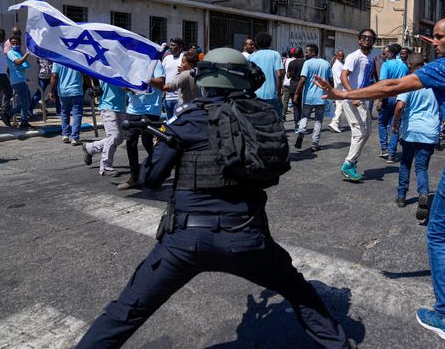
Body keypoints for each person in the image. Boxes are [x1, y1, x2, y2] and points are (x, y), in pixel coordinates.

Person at [75, 47, 356, 349]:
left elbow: (149, 179)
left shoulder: (187, 120)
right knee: (299, 291)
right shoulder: (260, 116)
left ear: (206, 79)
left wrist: (166, 142)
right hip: (247, 236)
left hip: (185, 241)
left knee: (125, 311)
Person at [314, 17, 445, 343]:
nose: (434, 43)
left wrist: (343, 94)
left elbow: (393, 87)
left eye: (440, 37)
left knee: (437, 234)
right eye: (433, 38)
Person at [391, 55, 440, 219]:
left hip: (411, 131)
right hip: (430, 132)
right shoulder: (434, 81)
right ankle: (424, 193)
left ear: (409, 64)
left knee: (405, 163)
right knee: (421, 167)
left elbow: (399, 106)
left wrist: (395, 124)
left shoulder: (409, 81)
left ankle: (402, 196)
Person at [117, 63, 166, 190]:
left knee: (147, 141)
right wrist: (130, 86)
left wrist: (146, 81)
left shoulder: (155, 63)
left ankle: (157, 175)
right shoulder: (131, 63)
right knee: (130, 142)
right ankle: (134, 178)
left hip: (151, 110)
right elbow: (123, 87)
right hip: (133, 110)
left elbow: (161, 82)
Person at [339, 29, 378, 182]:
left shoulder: (369, 58)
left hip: (362, 99)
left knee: (366, 132)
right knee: (360, 132)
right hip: (352, 99)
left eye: (370, 38)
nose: (367, 39)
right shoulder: (354, 56)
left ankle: (352, 162)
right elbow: (343, 76)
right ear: (359, 40)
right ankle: (348, 165)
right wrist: (352, 94)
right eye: (364, 37)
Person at [82, 81, 126, 177]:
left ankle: (90, 148)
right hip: (108, 107)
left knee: (119, 138)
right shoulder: (108, 68)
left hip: (121, 107)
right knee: (114, 136)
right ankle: (106, 167)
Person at [294, 44, 331, 151]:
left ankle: (301, 133)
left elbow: (302, 80)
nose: (305, 54)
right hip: (322, 96)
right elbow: (330, 81)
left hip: (308, 97)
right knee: (318, 121)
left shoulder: (307, 63)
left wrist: (296, 94)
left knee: (305, 117)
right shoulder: (326, 63)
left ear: (313, 52)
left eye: (307, 52)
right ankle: (315, 143)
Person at [377, 44, 409, 163]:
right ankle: (392, 154)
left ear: (390, 54)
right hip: (400, 98)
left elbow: (383, 84)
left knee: (382, 123)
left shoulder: (386, 65)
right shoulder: (404, 66)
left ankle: (384, 148)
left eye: (384, 53)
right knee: (395, 125)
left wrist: (379, 100)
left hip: (387, 98)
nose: (383, 55)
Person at [248, 32, 284, 118]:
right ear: (270, 43)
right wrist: (279, 91)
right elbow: (278, 75)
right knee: (277, 120)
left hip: (255, 94)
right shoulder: (275, 54)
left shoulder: (251, 56)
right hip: (271, 94)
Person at [49, 62, 85, 145]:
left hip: (63, 91)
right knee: (77, 114)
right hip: (77, 90)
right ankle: (75, 137)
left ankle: (65, 134)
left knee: (65, 113)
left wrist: (51, 91)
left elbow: (54, 76)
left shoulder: (57, 60)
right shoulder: (76, 58)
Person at [2, 37, 32, 128]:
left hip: (21, 80)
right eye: (13, 43)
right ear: (11, 44)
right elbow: (18, 62)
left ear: (20, 43)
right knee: (25, 102)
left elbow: (21, 68)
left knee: (26, 102)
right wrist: (27, 53)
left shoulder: (19, 52)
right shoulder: (11, 53)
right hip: (17, 81)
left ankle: (9, 114)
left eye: (17, 43)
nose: (15, 45)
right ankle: (22, 121)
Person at [161, 38, 184, 119]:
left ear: (180, 47)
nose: (170, 47)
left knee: (178, 123)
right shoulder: (167, 58)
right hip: (167, 98)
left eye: (173, 45)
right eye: (170, 45)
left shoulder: (184, 58)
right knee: (169, 124)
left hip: (180, 98)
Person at [287, 48, 305, 131]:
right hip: (303, 86)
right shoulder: (305, 62)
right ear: (302, 54)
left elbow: (288, 76)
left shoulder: (291, 63)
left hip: (293, 86)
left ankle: (297, 123)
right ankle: (302, 123)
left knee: (295, 106)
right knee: (303, 105)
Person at [328, 50, 346, 133]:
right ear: (337, 56)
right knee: (340, 106)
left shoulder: (340, 64)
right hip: (340, 89)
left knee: (339, 106)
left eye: (342, 56)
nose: (341, 57)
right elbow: (339, 79)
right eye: (340, 56)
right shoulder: (336, 66)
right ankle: (334, 123)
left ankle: (337, 124)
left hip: (341, 88)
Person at [281, 48, 296, 120]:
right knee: (294, 99)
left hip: (286, 82)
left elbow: (283, 71)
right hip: (294, 83)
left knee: (285, 100)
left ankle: (283, 114)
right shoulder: (296, 61)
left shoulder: (286, 60)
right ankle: (297, 115)